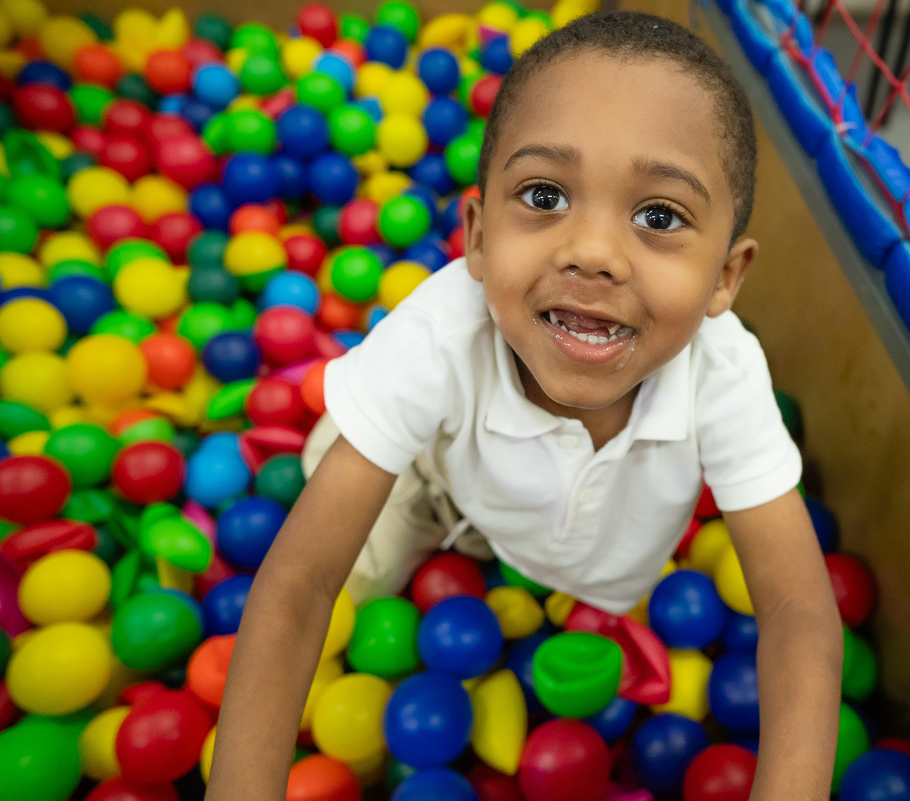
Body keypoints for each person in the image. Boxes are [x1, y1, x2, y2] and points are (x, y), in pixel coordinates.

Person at [207, 10, 843, 801]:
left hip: (585, 555)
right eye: (544, 195)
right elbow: (300, 583)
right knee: (349, 558)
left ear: (725, 277)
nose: (593, 252)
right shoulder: (442, 334)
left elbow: (796, 608)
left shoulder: (725, 371)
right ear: (475, 234)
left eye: (659, 216)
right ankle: (362, 439)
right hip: (434, 484)